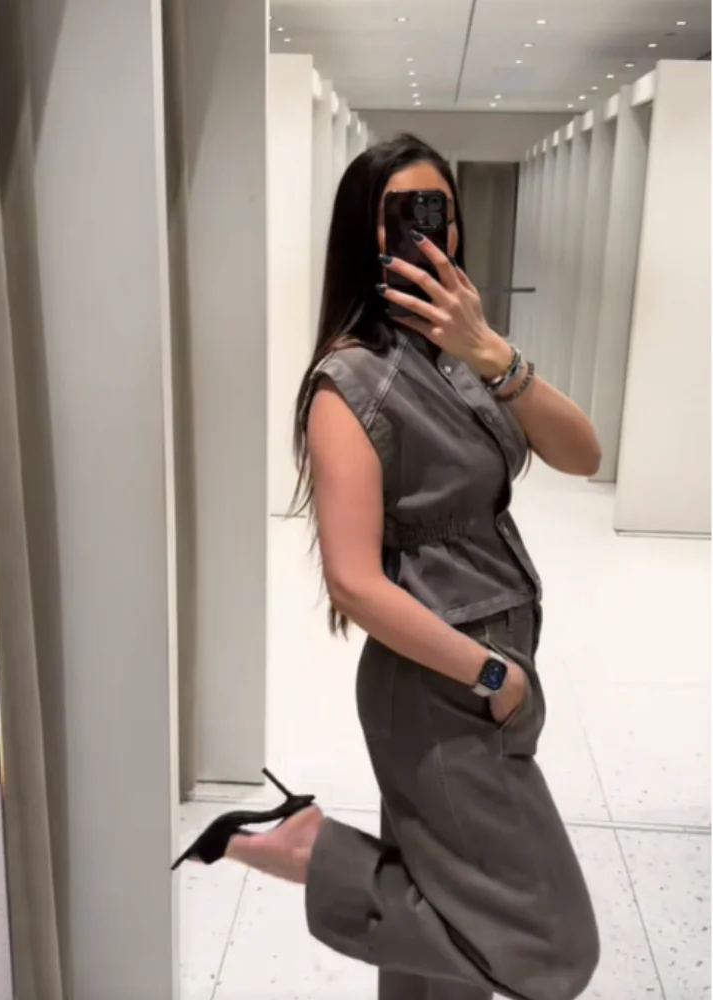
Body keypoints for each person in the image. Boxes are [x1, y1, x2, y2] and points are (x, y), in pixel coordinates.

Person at [215, 134, 601, 1000]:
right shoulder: (349, 382)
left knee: (442, 903)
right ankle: (309, 849)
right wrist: (491, 673)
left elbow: (582, 453)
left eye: (442, 214)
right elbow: (353, 581)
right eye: (404, 215)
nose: (430, 233)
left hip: (482, 663)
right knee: (549, 946)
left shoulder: (464, 358)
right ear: (369, 232)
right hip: (442, 678)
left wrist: (490, 350)